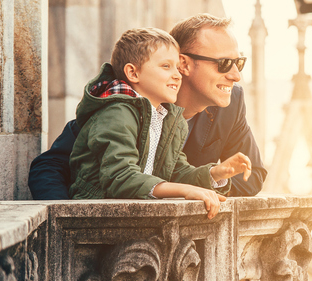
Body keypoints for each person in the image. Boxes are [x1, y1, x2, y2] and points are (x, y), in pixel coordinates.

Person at [28, 14, 267, 199]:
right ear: (183, 64)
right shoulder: (121, 106)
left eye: (239, 63)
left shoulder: (230, 103)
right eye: (225, 64)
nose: (236, 75)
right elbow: (49, 166)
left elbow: (253, 176)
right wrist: (66, 225)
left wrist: (214, 178)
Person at [67, 27, 252, 218]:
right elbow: (120, 177)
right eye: (166, 66)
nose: (177, 75)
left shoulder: (167, 117)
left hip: (135, 214)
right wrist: (185, 191)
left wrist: (215, 173)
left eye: (176, 68)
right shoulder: (116, 112)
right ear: (133, 73)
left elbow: (176, 170)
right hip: (97, 216)